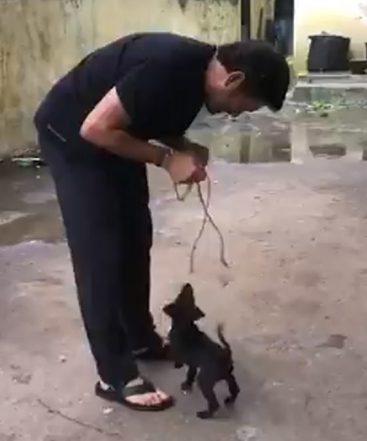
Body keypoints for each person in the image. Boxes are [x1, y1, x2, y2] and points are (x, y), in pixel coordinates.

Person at [33, 32, 289, 411]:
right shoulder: (169, 68)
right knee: (100, 252)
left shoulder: (198, 80)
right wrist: (166, 160)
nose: (237, 114)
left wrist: (183, 146)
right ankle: (114, 374)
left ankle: (141, 339)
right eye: (244, 106)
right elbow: (95, 129)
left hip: (114, 137)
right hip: (73, 134)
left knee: (136, 236)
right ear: (232, 80)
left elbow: (150, 113)